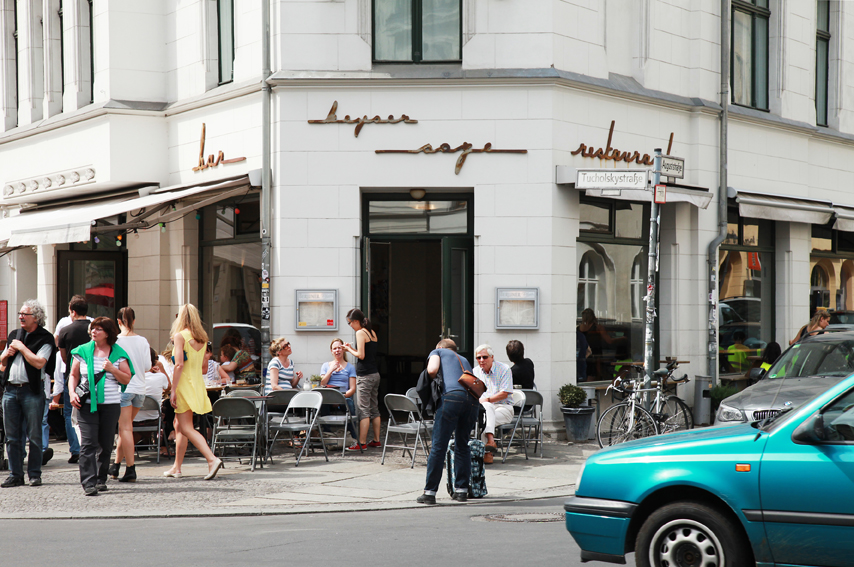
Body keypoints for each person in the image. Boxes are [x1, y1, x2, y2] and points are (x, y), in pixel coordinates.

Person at [68, 316, 133, 496]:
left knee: (105, 444)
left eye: (98, 329)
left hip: (110, 405)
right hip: (86, 404)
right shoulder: (82, 351)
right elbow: (73, 375)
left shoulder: (118, 353)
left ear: (108, 333)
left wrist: (113, 369)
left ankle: (100, 479)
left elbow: (126, 378)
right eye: (93, 328)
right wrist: (72, 393)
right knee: (88, 443)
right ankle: (88, 482)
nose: (93, 331)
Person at [162, 304, 223, 480]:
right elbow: (203, 367)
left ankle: (211, 459)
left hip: (183, 384)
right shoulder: (202, 339)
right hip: (196, 383)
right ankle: (177, 467)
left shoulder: (180, 336)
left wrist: (173, 389)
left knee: (186, 427)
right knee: (180, 426)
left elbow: (179, 365)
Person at [0, 300, 57, 488]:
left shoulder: (45, 338)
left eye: (25, 314)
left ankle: (34, 474)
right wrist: (7, 353)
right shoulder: (14, 335)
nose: (21, 317)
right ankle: (15, 474)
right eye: (20, 313)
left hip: (31, 391)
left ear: (36, 318)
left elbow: (40, 362)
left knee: (34, 436)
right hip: (10, 390)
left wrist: (22, 348)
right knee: (12, 437)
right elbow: (2, 362)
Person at [416, 338, 479, 505]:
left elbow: (432, 370)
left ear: (440, 347)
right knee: (462, 444)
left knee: (439, 446)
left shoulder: (437, 351)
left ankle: (429, 493)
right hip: (472, 402)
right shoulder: (464, 360)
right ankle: (461, 491)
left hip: (451, 398)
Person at [106, 307, 152, 483]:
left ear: (118, 322)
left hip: (123, 389)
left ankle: (131, 468)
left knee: (125, 429)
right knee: (125, 429)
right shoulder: (143, 340)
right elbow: (147, 366)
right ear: (134, 321)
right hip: (140, 389)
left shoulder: (116, 341)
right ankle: (116, 465)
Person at [50, 295, 91, 465]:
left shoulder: (65, 330)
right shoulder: (95, 327)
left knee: (69, 413)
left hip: (72, 377)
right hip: (92, 376)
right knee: (92, 411)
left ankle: (76, 450)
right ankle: (90, 448)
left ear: (73, 311)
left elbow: (64, 357)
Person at [343, 308, 381, 451]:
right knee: (374, 408)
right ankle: (376, 440)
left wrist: (348, 350)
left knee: (364, 410)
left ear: (356, 321)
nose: (350, 326)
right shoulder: (372, 332)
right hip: (375, 374)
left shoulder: (360, 332)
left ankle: (362, 443)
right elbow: (367, 353)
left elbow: (361, 355)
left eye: (350, 323)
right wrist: (351, 348)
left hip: (365, 376)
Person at [473, 344, 513, 465]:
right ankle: (490, 442)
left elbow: (504, 393)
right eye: (478, 358)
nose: (481, 360)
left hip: (504, 408)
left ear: (492, 357)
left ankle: (486, 453)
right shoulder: (475, 371)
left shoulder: (504, 369)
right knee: (486, 412)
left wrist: (486, 400)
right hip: (485, 409)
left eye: (484, 357)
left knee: (484, 417)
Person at [320, 338, 358, 442]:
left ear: (343, 349)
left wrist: (340, 398)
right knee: (323, 405)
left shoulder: (350, 367)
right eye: (335, 348)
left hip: (344, 397)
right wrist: (331, 369)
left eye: (339, 348)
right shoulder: (326, 365)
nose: (337, 350)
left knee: (350, 405)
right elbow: (322, 383)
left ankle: (353, 437)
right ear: (331, 351)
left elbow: (352, 389)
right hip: (329, 398)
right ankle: (327, 434)